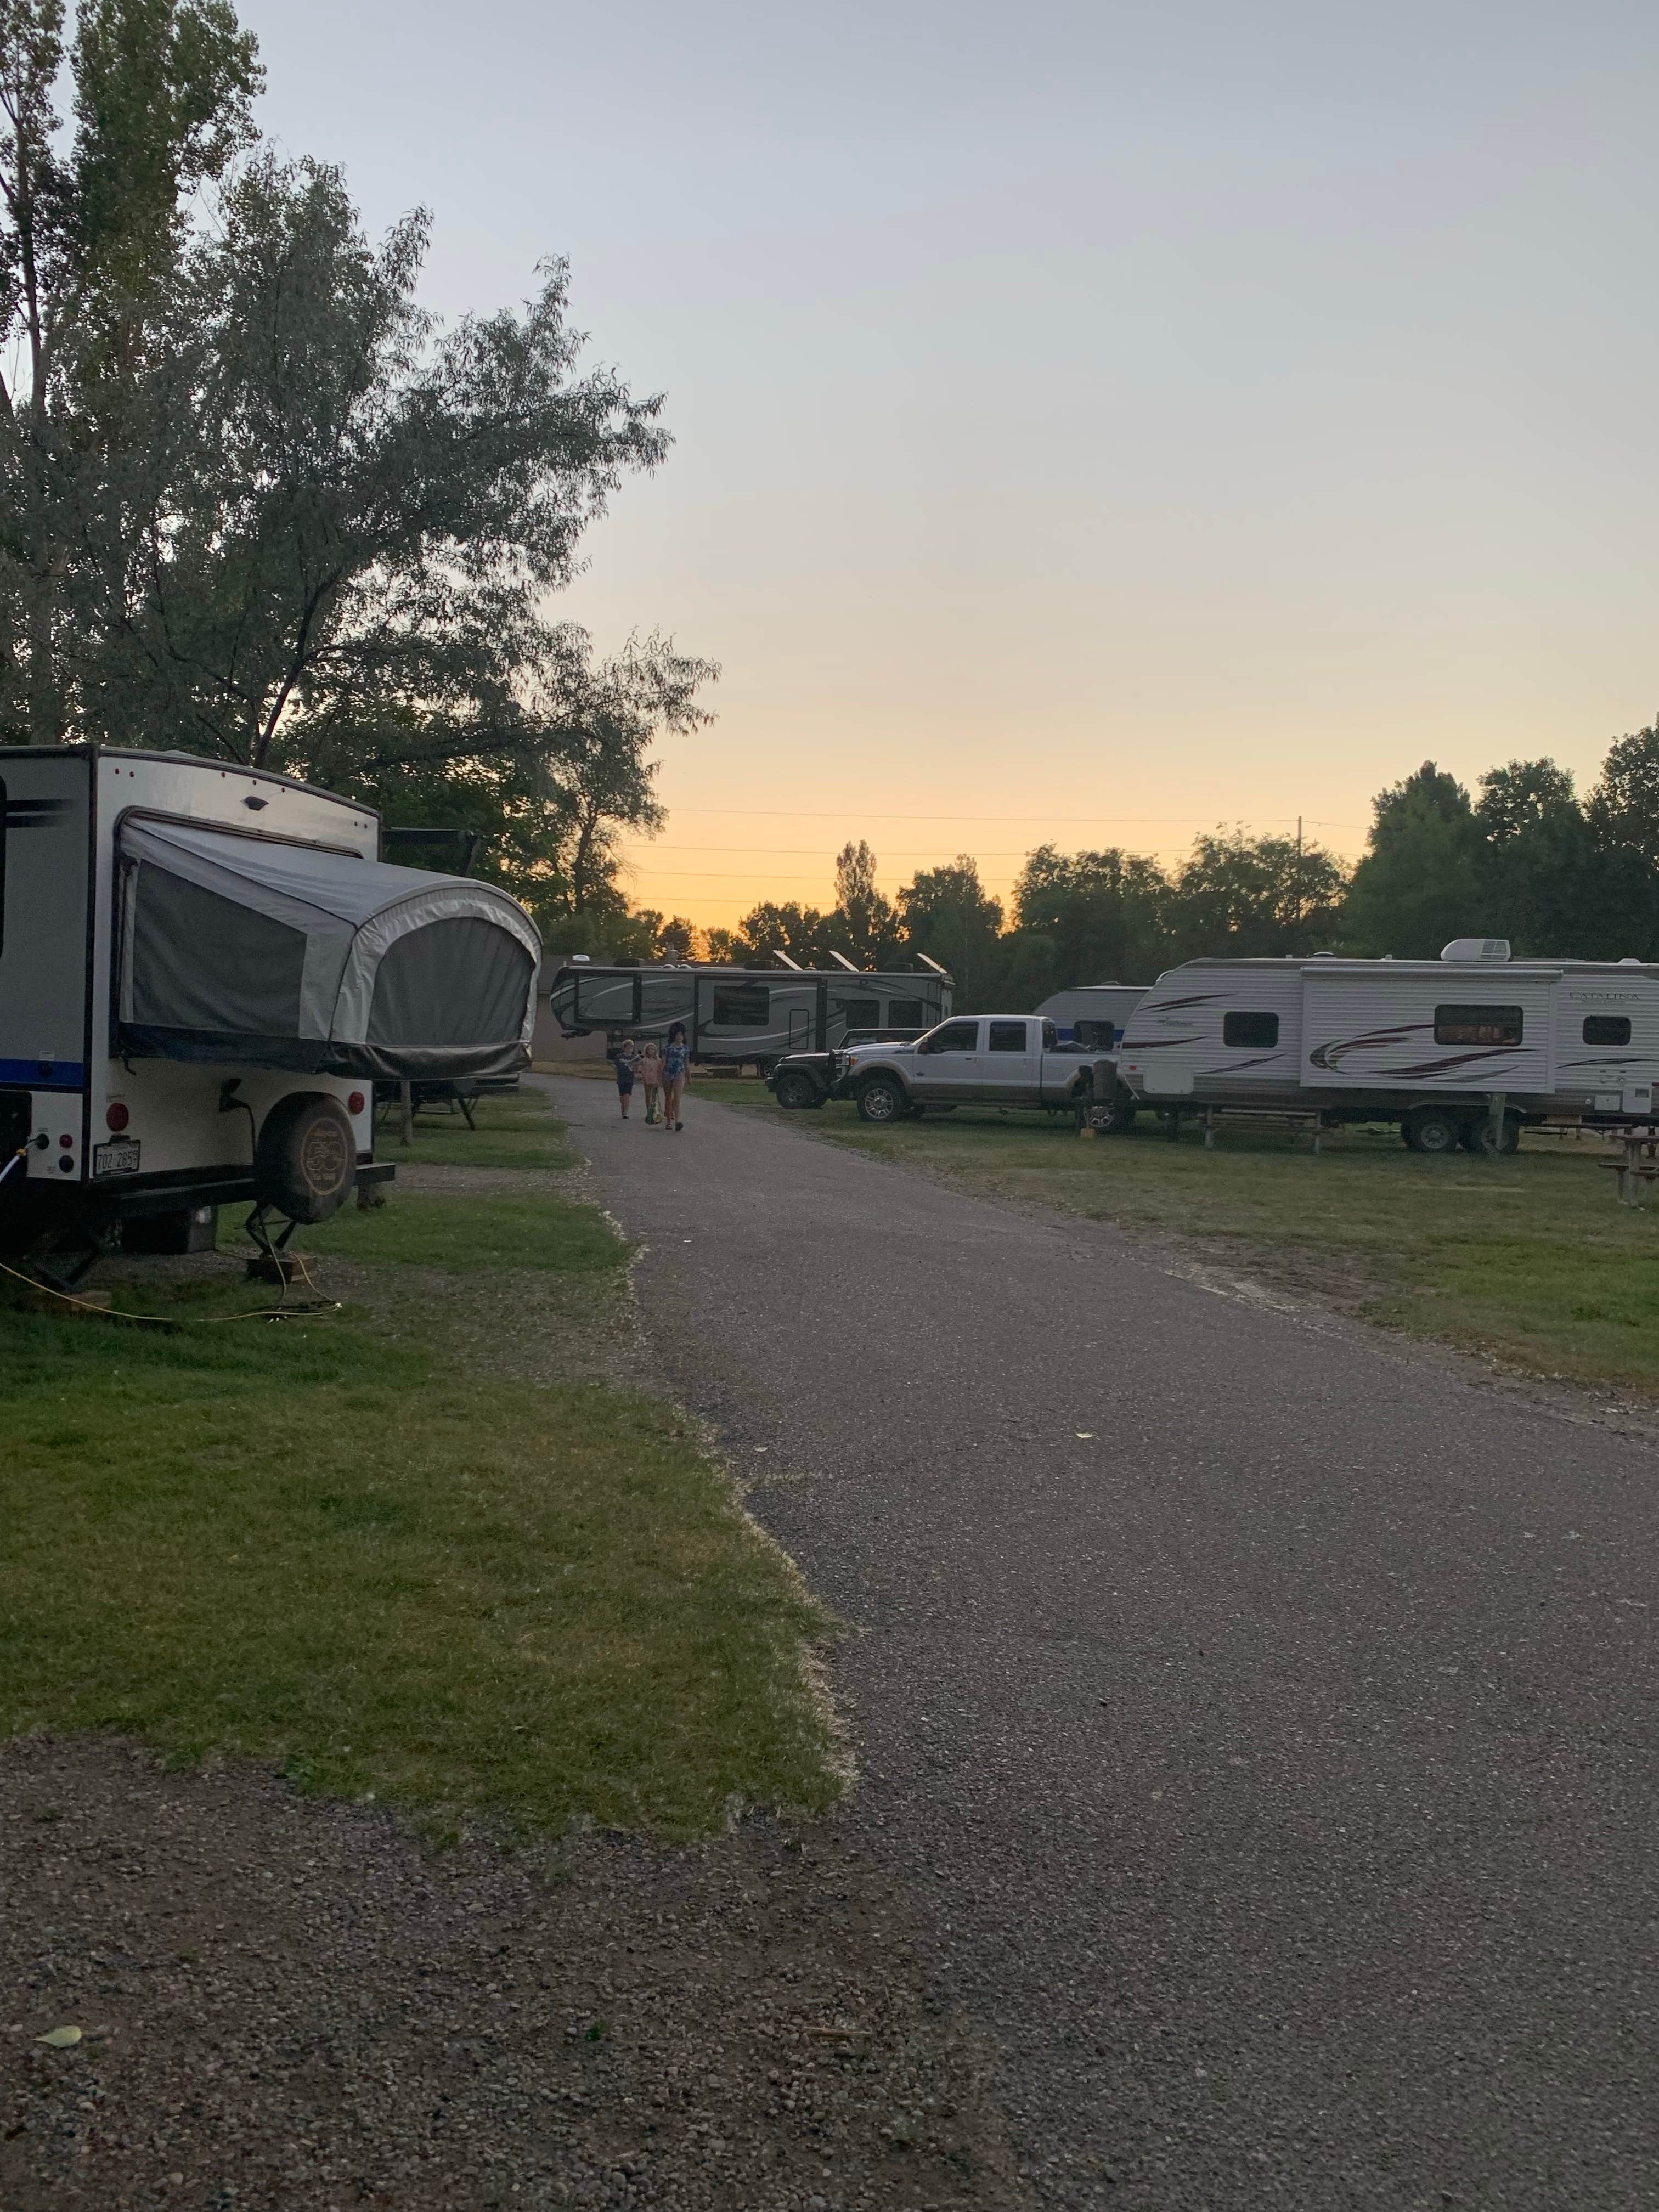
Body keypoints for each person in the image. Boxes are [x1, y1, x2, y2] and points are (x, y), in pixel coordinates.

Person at [662, 1023, 689, 1132]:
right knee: (669, 1097)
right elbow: (664, 1061)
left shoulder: (685, 1049)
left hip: (679, 1073)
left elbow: (686, 1063)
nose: (679, 1037)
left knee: (677, 1098)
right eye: (677, 1034)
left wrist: (689, 1076)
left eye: (681, 1035)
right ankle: (669, 1121)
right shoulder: (667, 1048)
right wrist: (659, 1076)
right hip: (668, 1074)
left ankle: (678, 1120)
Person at [608, 1032, 637, 1119]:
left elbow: (636, 1068)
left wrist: (636, 1068)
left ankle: (626, 1112)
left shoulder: (634, 1057)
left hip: (629, 1078)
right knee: (622, 1096)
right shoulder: (619, 1057)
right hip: (621, 1078)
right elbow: (615, 1066)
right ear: (624, 1048)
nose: (630, 1049)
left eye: (632, 1047)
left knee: (627, 1095)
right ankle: (623, 1110)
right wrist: (614, 1067)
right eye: (628, 1047)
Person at [637, 1037, 663, 1124]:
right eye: (649, 1049)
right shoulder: (644, 1060)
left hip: (655, 1080)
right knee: (648, 1096)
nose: (651, 1051)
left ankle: (655, 1111)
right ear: (647, 1051)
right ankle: (648, 1110)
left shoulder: (658, 1060)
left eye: (653, 1049)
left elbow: (660, 1071)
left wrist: (659, 1080)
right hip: (647, 1080)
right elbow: (641, 1070)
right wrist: (644, 1078)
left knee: (654, 1097)